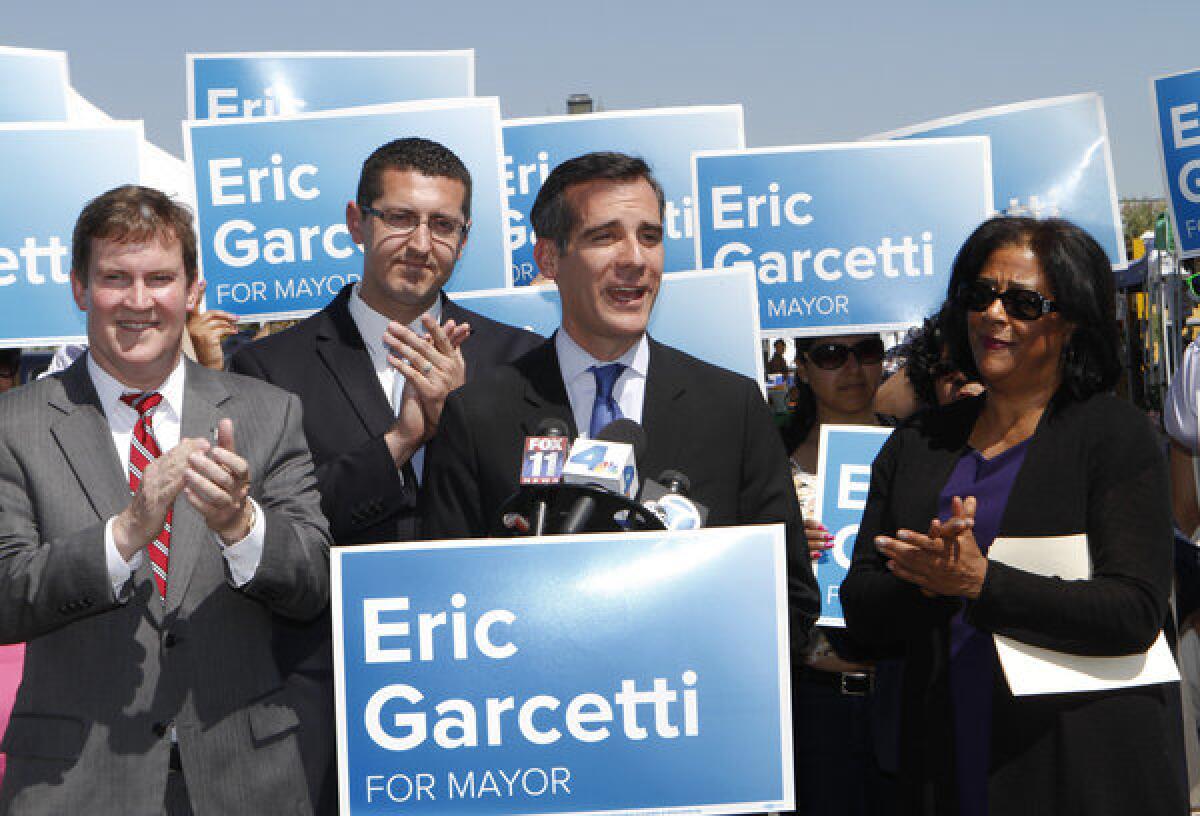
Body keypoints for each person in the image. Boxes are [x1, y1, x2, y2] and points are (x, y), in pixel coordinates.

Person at [228, 136, 540, 813]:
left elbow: (538, 522)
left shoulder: (522, 361)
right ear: (355, 221)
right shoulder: (271, 369)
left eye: (443, 225)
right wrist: (402, 438)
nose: (421, 242)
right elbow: (276, 538)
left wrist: (465, 421)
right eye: (399, 217)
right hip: (341, 701)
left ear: (465, 237)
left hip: (496, 699)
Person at [0, 185, 330, 815]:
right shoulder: (13, 426)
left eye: (160, 278)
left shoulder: (268, 413)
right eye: (115, 278)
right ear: (78, 288)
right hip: (76, 784)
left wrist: (240, 525)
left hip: (243, 780)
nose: (138, 301)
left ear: (194, 291)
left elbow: (313, 580)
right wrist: (125, 532)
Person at [841, 216, 1187, 815]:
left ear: (1072, 320)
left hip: (1081, 767)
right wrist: (928, 578)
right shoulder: (918, 443)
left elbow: (1134, 610)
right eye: (981, 295)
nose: (995, 316)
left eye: (1024, 302)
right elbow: (863, 612)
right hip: (944, 758)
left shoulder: (1113, 435)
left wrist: (981, 583)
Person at [421, 149, 819, 644]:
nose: (634, 259)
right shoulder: (480, 414)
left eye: (649, 237)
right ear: (549, 258)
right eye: (604, 236)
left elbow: (792, 599)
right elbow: (448, 601)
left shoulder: (731, 407)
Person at [780, 333, 895, 815]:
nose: (851, 368)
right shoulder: (772, 460)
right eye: (830, 355)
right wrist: (783, 548)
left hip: (905, 695)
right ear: (802, 367)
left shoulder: (920, 447)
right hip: (814, 701)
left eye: (866, 351)